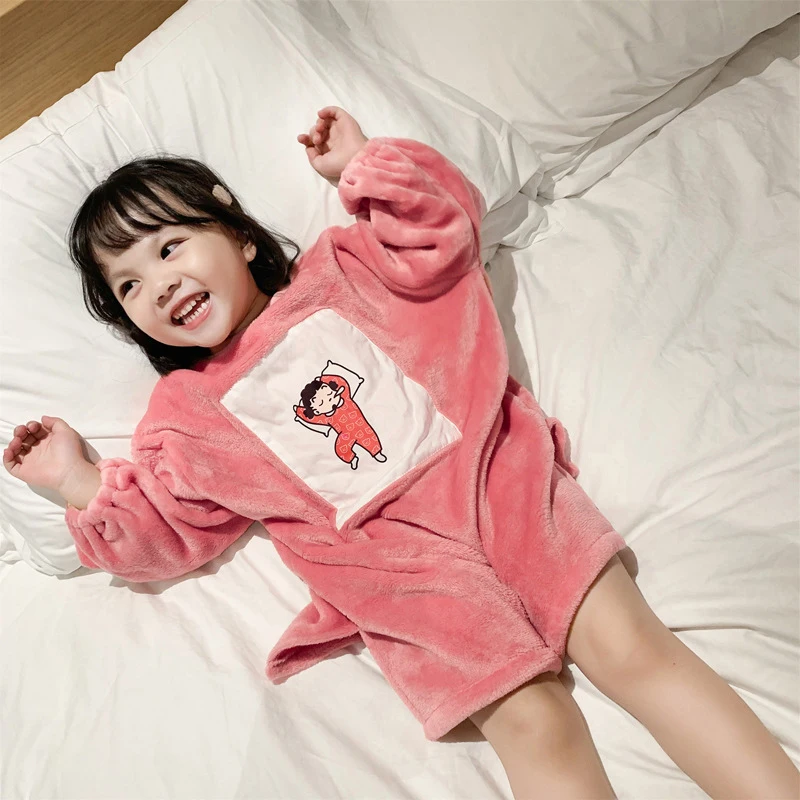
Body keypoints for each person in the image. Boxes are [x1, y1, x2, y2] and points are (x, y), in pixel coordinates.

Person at [4, 106, 798, 800]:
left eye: (169, 248)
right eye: (129, 287)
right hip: (404, 581)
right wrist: (77, 480)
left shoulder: (343, 270)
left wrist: (365, 169)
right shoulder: (183, 418)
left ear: (239, 235)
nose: (159, 285)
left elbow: (442, 232)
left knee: (631, 649)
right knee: (534, 723)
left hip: (498, 486)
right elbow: (165, 533)